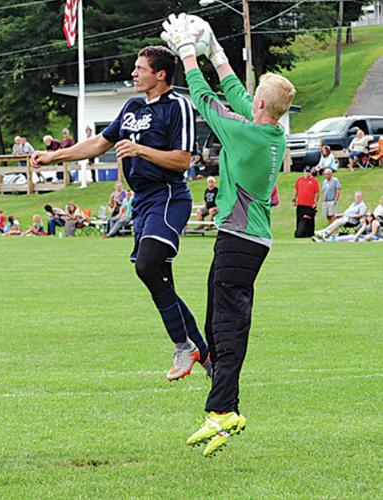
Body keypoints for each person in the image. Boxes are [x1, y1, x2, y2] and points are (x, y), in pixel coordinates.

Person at [32, 45, 211, 381]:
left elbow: (184, 161)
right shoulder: (131, 107)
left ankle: (183, 346)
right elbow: (99, 143)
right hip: (141, 202)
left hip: (169, 197)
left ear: (160, 75)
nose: (133, 73)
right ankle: (206, 355)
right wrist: (53, 157)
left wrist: (141, 149)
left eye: (140, 68)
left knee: (147, 265)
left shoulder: (179, 107)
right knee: (160, 279)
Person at [162, 13, 295, 456]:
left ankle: (222, 413)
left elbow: (204, 99)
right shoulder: (268, 128)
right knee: (216, 325)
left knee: (228, 325)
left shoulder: (245, 135)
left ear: (261, 105)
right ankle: (224, 403)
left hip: (240, 241)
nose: (249, 97)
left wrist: (186, 52)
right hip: (240, 239)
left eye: (255, 95)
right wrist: (215, 50)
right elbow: (237, 94)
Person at [293, 166, 320, 237]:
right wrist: (294, 199)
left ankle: (309, 233)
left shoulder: (314, 181)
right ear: (304, 172)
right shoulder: (300, 180)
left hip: (309, 204)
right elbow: (296, 190)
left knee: (309, 220)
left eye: (309, 172)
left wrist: (316, 202)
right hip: (300, 204)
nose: (307, 173)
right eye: (306, 172)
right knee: (299, 219)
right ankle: (300, 232)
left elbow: (317, 193)